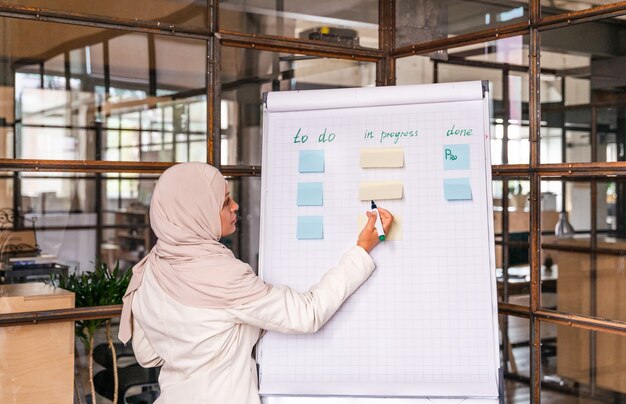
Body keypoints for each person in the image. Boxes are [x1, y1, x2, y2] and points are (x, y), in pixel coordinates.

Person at [118, 162, 393, 404]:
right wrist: (361, 249)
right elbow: (307, 313)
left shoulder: (149, 270)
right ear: (197, 212)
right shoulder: (221, 276)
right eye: (225, 201)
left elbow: (147, 356)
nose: (235, 206)